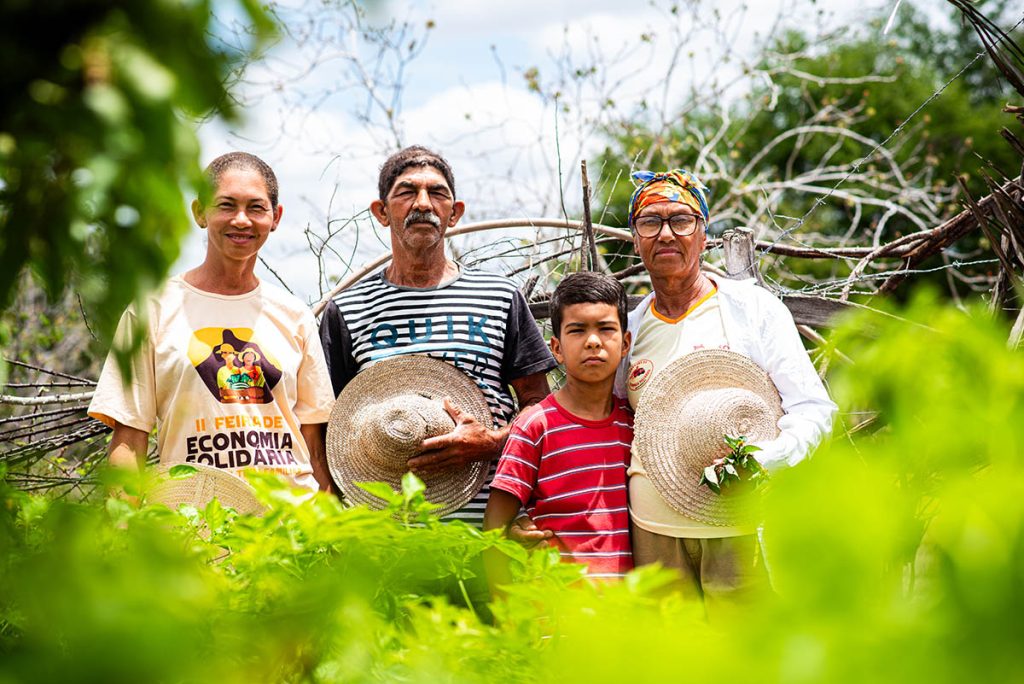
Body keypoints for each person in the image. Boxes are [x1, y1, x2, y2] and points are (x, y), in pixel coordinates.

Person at [613, 169, 837, 610]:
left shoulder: (752, 311)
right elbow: (615, 418)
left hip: (739, 526)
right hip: (652, 534)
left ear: (704, 234)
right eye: (649, 222)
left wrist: (765, 460)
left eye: (681, 219)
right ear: (635, 240)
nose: (665, 234)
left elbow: (813, 408)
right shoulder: (630, 328)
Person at [318, 145, 556, 526]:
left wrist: (493, 442)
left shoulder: (499, 297)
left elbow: (539, 404)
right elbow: (324, 424)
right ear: (381, 212)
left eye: (437, 193)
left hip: (492, 529)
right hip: (384, 535)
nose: (423, 203)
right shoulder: (346, 311)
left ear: (455, 213)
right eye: (407, 192)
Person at [88, 152, 335, 494]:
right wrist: (120, 530)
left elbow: (313, 440)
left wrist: (329, 532)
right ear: (200, 212)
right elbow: (129, 437)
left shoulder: (294, 316)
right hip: (189, 524)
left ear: (275, 217)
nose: (241, 220)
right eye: (226, 205)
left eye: (256, 208)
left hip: (289, 527)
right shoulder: (152, 311)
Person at [484, 272, 634, 588]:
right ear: (557, 348)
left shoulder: (636, 425)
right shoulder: (535, 426)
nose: (593, 341)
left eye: (606, 329)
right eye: (577, 330)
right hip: (554, 618)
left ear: (625, 343)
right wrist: (506, 616)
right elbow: (495, 528)